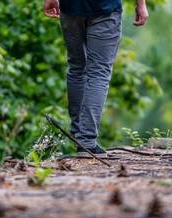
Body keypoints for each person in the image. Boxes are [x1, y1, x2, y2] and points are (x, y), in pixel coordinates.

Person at [43, 0, 149, 157]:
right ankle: (86, 140)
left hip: (71, 8)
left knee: (77, 67)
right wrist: (141, 4)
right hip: (105, 8)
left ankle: (80, 138)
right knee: (99, 73)